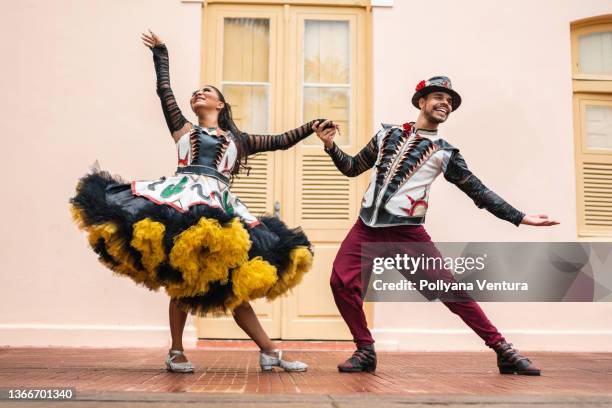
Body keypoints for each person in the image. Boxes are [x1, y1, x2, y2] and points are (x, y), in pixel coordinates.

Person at [70, 30, 325, 373]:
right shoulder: (183, 130)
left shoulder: (240, 140)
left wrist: (312, 126)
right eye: (196, 93)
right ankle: (176, 351)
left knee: (235, 284)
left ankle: (269, 352)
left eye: (206, 91)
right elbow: (165, 92)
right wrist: (161, 55)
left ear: (220, 104)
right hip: (184, 202)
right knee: (184, 276)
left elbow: (280, 141)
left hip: (222, 210)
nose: (198, 94)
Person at [314, 76, 559, 376]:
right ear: (421, 101)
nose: (446, 104)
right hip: (366, 228)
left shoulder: (445, 152)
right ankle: (365, 350)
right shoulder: (385, 135)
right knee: (341, 282)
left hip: (408, 233)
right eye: (439, 97)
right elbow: (352, 168)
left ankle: (502, 349)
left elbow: (478, 192)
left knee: (450, 291)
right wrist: (330, 145)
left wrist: (520, 217)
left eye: (450, 102)